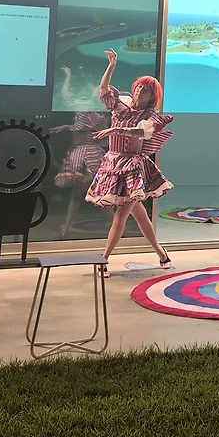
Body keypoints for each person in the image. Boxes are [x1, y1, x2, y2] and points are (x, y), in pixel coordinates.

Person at [85, 50, 175, 271]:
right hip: (113, 163)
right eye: (139, 87)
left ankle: (103, 261)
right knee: (141, 217)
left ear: (152, 97)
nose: (140, 91)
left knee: (120, 216)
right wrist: (111, 66)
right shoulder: (122, 104)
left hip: (132, 167)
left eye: (145, 90)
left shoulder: (149, 117)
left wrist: (115, 129)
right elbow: (105, 90)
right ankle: (162, 254)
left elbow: (141, 133)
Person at [52, 66, 112, 236]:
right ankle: (67, 226)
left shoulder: (91, 112)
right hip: (87, 154)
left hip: (86, 156)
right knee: (83, 194)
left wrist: (67, 127)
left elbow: (80, 124)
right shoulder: (101, 114)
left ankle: (116, 226)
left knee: (92, 195)